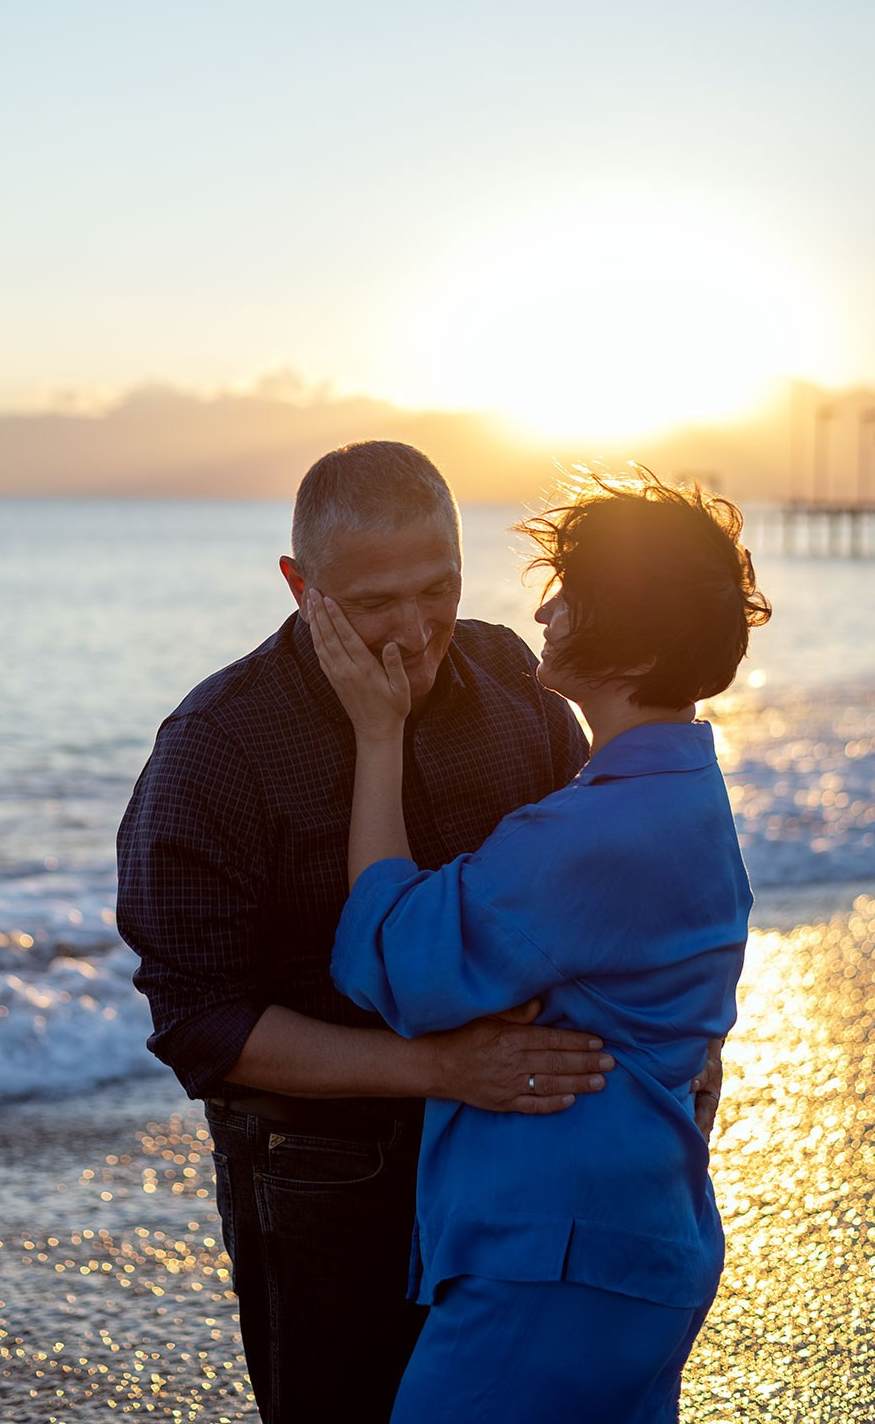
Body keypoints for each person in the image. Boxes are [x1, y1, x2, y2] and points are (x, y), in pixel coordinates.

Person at [117, 440, 616, 1424]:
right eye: (375, 602)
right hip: (327, 1177)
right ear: (300, 585)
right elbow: (202, 1022)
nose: (416, 630)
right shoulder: (219, 747)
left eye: (439, 587)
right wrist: (438, 1067)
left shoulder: (514, 684)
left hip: (516, 1151)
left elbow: (588, 889)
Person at [313, 470, 770, 1423]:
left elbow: (395, 961)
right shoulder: (682, 792)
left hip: (563, 1259)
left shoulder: (593, 833)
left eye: (573, 594)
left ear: (627, 637)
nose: (546, 610)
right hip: (633, 1241)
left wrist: (378, 734)